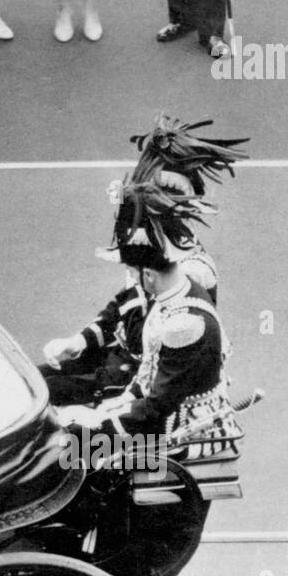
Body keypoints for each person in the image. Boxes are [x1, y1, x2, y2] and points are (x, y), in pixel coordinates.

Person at [41, 116, 247, 404]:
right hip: (122, 356)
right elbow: (124, 305)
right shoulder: (150, 249)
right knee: (33, 380)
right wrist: (79, 341)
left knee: (42, 396)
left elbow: (153, 356)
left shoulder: (190, 272)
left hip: (144, 376)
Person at [55, 180, 233, 450]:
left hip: (183, 430)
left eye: (131, 271)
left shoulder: (183, 325)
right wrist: (107, 409)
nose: (130, 279)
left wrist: (95, 419)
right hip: (162, 413)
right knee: (72, 428)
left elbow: (157, 407)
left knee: (65, 445)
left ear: (148, 274)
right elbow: (146, 381)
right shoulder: (170, 298)